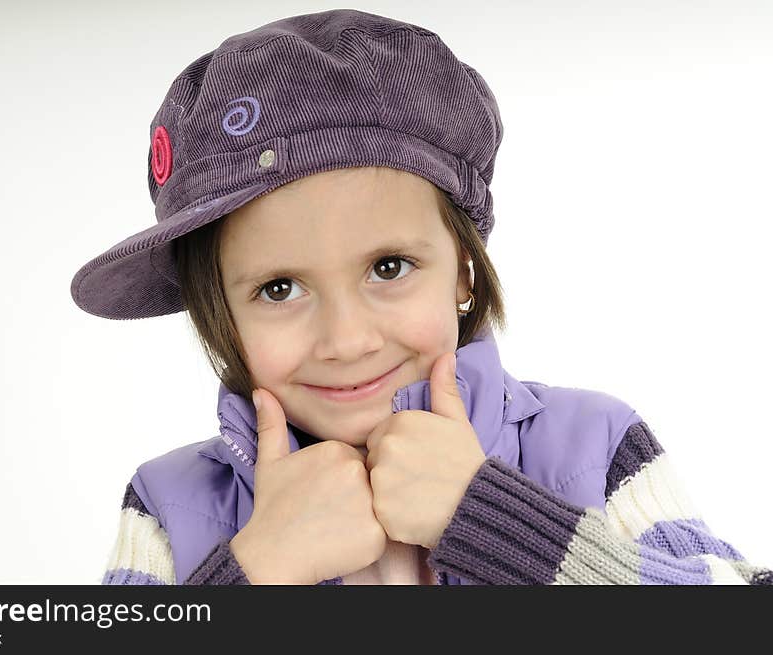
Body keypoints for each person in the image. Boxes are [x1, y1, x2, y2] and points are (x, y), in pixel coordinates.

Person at [71, 8, 771, 585]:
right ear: (218, 307)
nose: (347, 339)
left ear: (464, 268)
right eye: (279, 288)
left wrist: (494, 521)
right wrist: (256, 570)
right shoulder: (169, 507)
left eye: (389, 266)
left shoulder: (594, 445)